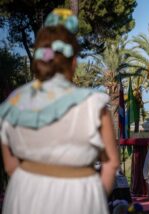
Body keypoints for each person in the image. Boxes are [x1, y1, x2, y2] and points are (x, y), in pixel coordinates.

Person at [0, 9, 119, 214]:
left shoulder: (12, 103)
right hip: (79, 198)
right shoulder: (93, 105)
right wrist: (95, 199)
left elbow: (10, 165)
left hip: (24, 198)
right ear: (73, 63)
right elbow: (111, 163)